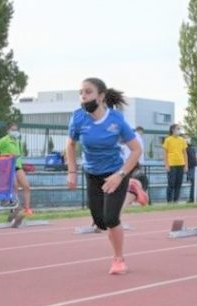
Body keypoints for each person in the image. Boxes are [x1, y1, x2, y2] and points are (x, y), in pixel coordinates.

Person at [66, 77, 141, 275]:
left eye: (88, 92)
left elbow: (136, 150)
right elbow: (70, 144)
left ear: (101, 96)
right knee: (99, 221)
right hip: (92, 174)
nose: (83, 96)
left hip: (115, 173)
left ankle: (118, 259)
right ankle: (133, 189)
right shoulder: (77, 118)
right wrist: (72, 171)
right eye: (81, 92)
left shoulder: (116, 120)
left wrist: (121, 174)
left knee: (110, 218)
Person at [0, 123, 32, 216]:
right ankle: (14, 209)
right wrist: (3, 159)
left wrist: (22, 164)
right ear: (8, 131)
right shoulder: (4, 140)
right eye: (13, 130)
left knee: (26, 186)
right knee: (15, 186)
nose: (15, 132)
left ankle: (27, 209)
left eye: (16, 130)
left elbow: (18, 154)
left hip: (17, 166)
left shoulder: (17, 141)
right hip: (7, 167)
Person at [163, 124, 188, 203]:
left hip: (181, 164)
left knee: (178, 183)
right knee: (171, 183)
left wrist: (186, 165)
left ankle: (176, 200)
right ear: (173, 130)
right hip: (171, 164)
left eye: (179, 129)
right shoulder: (168, 140)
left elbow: (185, 153)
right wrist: (166, 165)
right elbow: (165, 153)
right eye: (177, 129)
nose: (179, 130)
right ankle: (169, 201)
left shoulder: (182, 140)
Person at [184, 134, 197, 202]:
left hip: (196, 167)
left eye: (188, 138)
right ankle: (191, 198)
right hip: (190, 167)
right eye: (186, 138)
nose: (188, 139)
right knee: (194, 182)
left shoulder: (192, 147)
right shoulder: (184, 147)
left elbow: (196, 157)